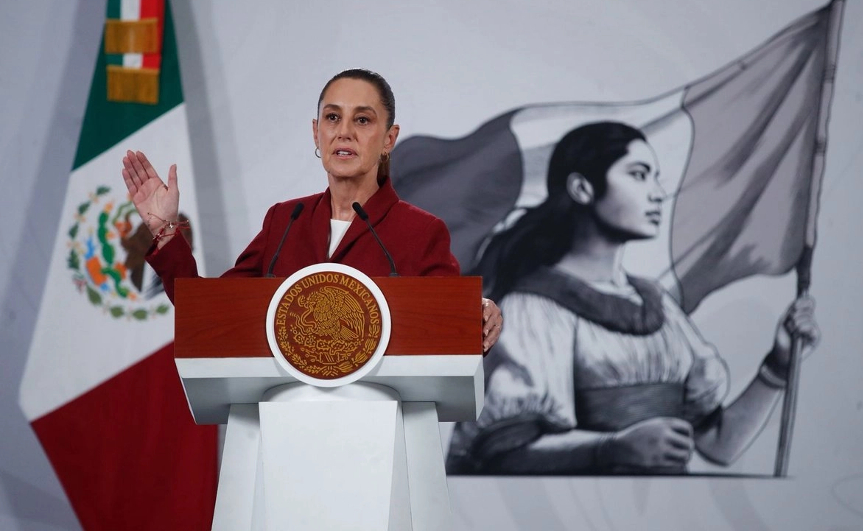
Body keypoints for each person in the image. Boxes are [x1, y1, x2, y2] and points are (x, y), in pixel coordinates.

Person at [445, 121, 821, 475]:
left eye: (655, 177)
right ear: (582, 189)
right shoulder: (533, 309)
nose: (658, 192)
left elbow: (717, 445)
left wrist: (778, 366)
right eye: (639, 175)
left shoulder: (657, 305)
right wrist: (611, 448)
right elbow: (502, 454)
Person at [121, 68, 502, 352]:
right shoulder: (285, 221)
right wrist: (164, 230)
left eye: (363, 120)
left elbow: (453, 333)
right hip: (283, 430)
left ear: (389, 139)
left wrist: (479, 318)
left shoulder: (420, 231)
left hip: (377, 439)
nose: (344, 131)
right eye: (333, 117)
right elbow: (208, 311)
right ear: (316, 132)